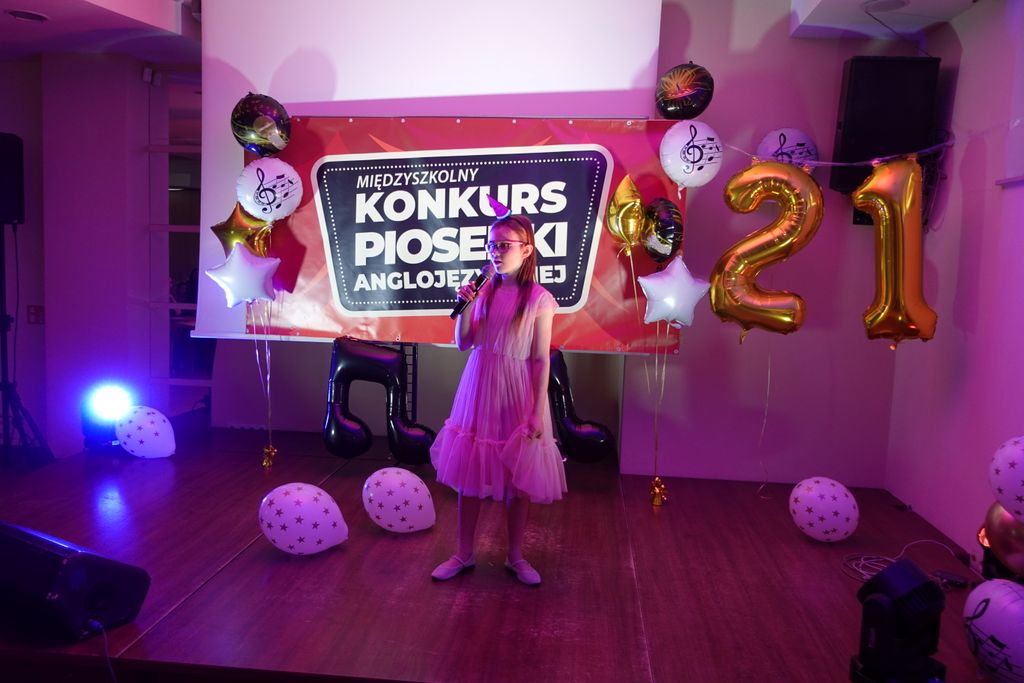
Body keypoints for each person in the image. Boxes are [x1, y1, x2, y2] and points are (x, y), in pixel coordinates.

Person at [430, 213, 566, 586]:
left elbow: (540, 359)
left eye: (504, 245)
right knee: (470, 472)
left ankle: (516, 556)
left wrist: (536, 412)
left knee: (517, 480)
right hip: (480, 383)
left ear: (527, 250)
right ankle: (463, 553)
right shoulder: (484, 290)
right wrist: (466, 305)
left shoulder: (539, 299)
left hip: (517, 390)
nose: (496, 252)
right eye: (491, 245)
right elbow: (464, 342)